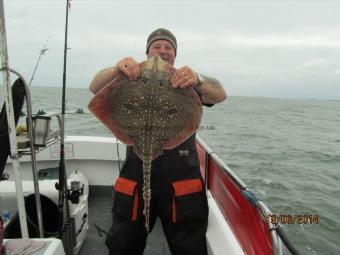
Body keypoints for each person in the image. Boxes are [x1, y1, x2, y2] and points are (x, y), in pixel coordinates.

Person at [89, 28, 227, 255]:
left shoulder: (185, 81)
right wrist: (117, 69)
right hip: (135, 178)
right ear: (147, 52)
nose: (162, 51)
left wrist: (198, 79)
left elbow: (220, 94)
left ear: (175, 54)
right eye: (157, 46)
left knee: (189, 247)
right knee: (122, 245)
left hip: (181, 181)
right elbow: (95, 86)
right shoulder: (128, 76)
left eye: (168, 47)